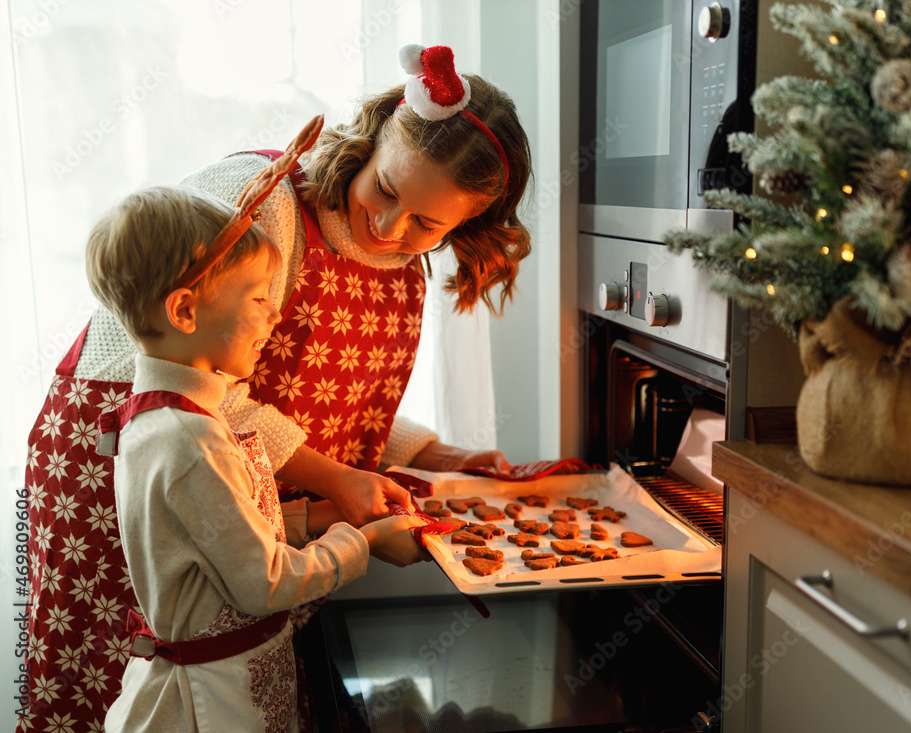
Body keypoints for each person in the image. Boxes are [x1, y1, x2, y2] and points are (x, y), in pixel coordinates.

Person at [21, 44, 532, 732]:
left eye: (427, 224)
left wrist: (442, 456)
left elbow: (338, 401)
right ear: (376, 134)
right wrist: (334, 480)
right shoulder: (267, 204)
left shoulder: (403, 269)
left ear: (464, 225)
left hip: (230, 494)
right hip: (119, 467)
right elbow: (190, 390)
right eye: (385, 191)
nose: (390, 227)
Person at [85, 182, 426, 731]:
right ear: (186, 310)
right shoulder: (191, 440)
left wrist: (328, 516)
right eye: (259, 298)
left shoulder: (167, 416)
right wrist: (363, 543)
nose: (275, 317)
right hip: (211, 703)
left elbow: (222, 533)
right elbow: (264, 582)